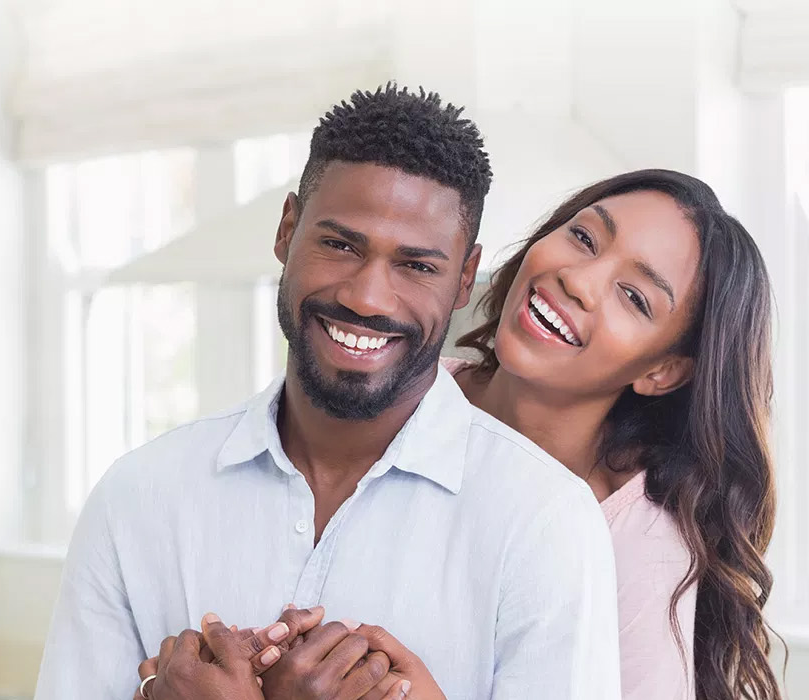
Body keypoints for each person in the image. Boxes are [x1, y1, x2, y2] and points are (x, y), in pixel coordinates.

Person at [34, 84, 622, 700]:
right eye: (340, 245)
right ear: (287, 229)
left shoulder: (543, 521)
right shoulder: (138, 500)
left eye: (417, 265)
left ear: (463, 278)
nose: (367, 297)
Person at [446, 169, 782, 700]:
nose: (577, 281)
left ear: (662, 371)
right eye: (583, 238)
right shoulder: (404, 396)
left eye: (634, 297)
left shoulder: (639, 546)